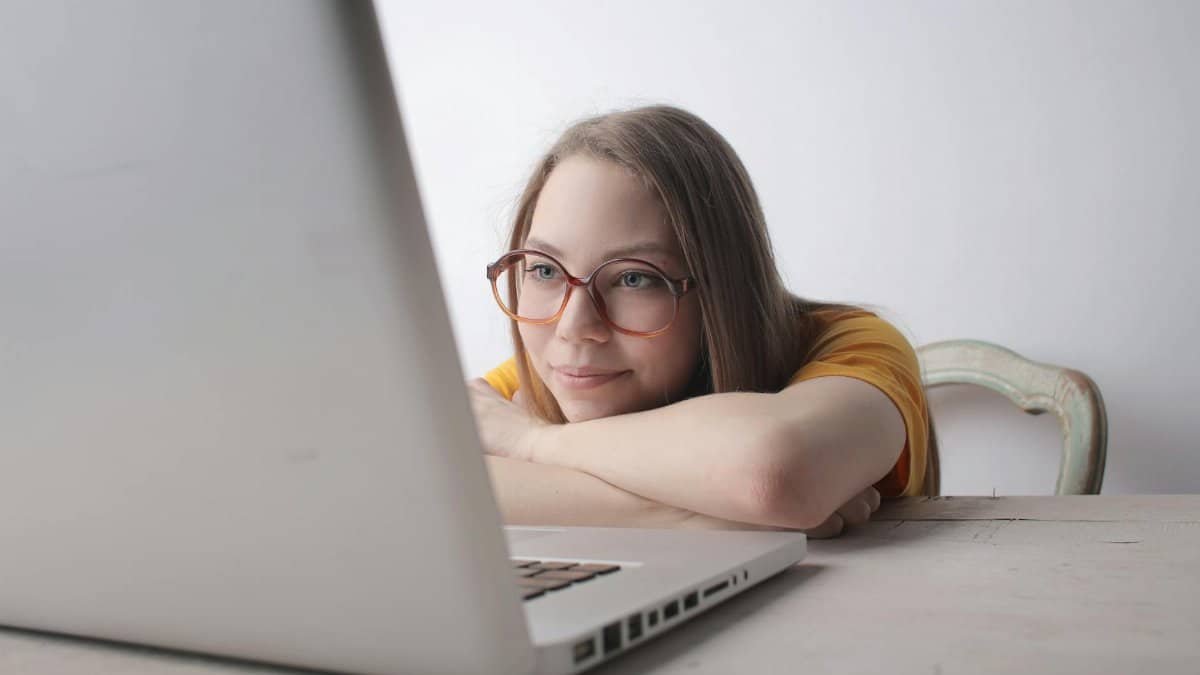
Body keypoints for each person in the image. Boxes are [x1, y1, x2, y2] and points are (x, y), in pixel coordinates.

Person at [467, 105, 932, 538]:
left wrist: (533, 443)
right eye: (544, 270)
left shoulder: (852, 344)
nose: (572, 326)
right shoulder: (560, 371)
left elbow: (772, 472)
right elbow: (421, 486)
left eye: (634, 278)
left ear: (720, 287)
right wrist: (717, 514)